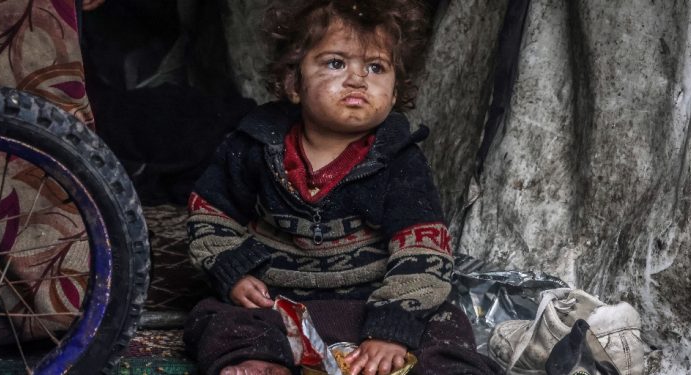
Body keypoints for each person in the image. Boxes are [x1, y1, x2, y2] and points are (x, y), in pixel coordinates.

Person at [183, 1, 502, 374]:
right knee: (212, 316)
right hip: (276, 303)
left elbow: (423, 248)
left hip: (368, 301)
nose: (357, 79)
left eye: (376, 67)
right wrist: (232, 273)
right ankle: (261, 362)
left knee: (446, 324)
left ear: (396, 92)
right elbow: (209, 217)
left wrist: (391, 328)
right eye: (336, 63)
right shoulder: (254, 145)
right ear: (294, 82)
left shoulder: (399, 160)